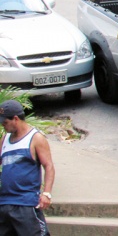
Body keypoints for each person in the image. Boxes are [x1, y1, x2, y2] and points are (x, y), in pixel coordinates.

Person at [0, 100, 55, 236]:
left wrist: (46, 194)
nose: (3, 125)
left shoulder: (35, 138)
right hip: (4, 203)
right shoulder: (5, 139)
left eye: (5, 122)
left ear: (16, 119)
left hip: (26, 204)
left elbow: (48, 166)